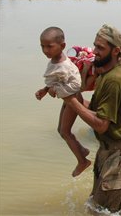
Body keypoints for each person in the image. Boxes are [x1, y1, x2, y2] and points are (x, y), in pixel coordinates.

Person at [63, 24, 121, 214]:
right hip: (109, 150)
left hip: (118, 154)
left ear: (116, 51)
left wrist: (72, 101)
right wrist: (78, 98)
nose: (94, 52)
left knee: (100, 210)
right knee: (98, 207)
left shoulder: (114, 79)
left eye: (101, 48)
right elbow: (98, 111)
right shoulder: (106, 75)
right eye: (95, 46)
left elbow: (101, 124)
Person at [35, 27, 91, 177]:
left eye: (49, 46)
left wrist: (57, 90)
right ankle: (82, 150)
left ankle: (82, 161)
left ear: (62, 46)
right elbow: (55, 80)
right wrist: (46, 90)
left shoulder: (64, 65)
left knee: (65, 132)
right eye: (42, 46)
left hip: (73, 99)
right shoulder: (54, 61)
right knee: (61, 130)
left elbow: (76, 85)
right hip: (68, 99)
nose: (45, 50)